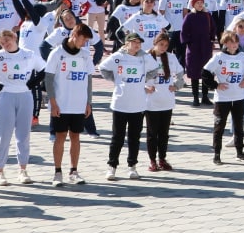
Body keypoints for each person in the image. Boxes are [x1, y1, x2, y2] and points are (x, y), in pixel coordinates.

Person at [0, 28, 45, 185]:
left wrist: (31, 84)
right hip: (4, 97)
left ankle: (23, 170)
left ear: (14, 37)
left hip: (25, 95)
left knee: (23, 135)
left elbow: (44, 70)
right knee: (3, 135)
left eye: (8, 40)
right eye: (2, 42)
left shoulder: (29, 54)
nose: (6, 44)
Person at [99, 32, 157, 180]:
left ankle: (132, 166)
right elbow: (103, 68)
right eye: (134, 42)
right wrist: (116, 80)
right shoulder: (119, 56)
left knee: (134, 137)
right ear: (127, 43)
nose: (137, 45)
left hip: (138, 104)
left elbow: (155, 69)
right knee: (117, 137)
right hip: (120, 103)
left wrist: (143, 80)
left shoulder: (144, 57)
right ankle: (112, 166)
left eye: (139, 43)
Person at [44, 23, 96, 186]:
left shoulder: (85, 55)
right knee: (60, 136)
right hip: (61, 103)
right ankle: (57, 173)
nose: (84, 43)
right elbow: (49, 79)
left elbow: (88, 79)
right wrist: (52, 102)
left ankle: (74, 171)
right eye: (83, 39)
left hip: (79, 104)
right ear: (74, 35)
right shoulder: (57, 53)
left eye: (87, 41)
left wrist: (89, 102)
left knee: (76, 136)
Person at [203, 27, 244, 164]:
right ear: (225, 43)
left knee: (239, 126)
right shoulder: (219, 57)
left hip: (238, 97)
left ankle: (240, 151)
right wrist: (215, 85)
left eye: (236, 42)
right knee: (219, 126)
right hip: (222, 98)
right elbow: (205, 73)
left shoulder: (243, 57)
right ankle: (216, 153)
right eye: (231, 42)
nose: (234, 45)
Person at [144, 32, 184, 170]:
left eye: (166, 45)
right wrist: (144, 87)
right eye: (161, 44)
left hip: (167, 100)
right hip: (151, 101)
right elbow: (138, 75)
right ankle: (152, 160)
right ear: (155, 43)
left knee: (164, 133)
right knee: (152, 133)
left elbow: (180, 72)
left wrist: (177, 85)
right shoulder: (146, 57)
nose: (163, 48)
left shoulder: (171, 57)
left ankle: (162, 158)